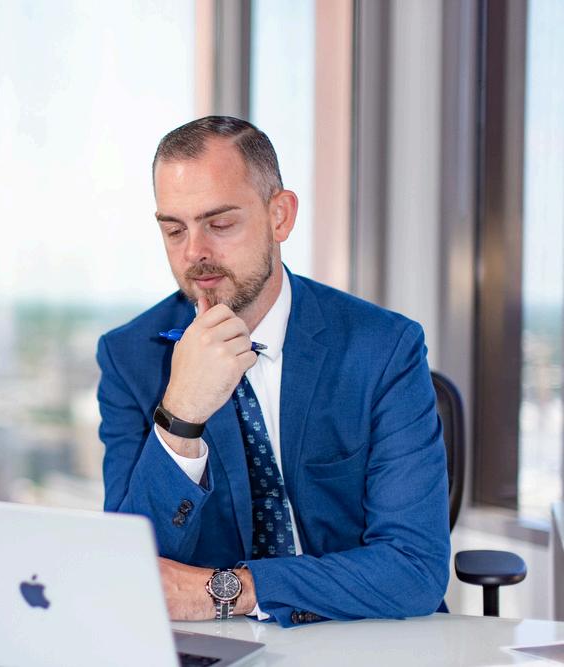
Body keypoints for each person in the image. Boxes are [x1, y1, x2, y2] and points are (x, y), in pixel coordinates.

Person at [96, 116, 450, 627]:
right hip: (218, 647)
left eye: (219, 224)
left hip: (360, 636)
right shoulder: (130, 357)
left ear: (279, 217)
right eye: (174, 230)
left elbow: (414, 569)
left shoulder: (383, 348)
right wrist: (180, 417)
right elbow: (130, 572)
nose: (194, 252)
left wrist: (229, 590)